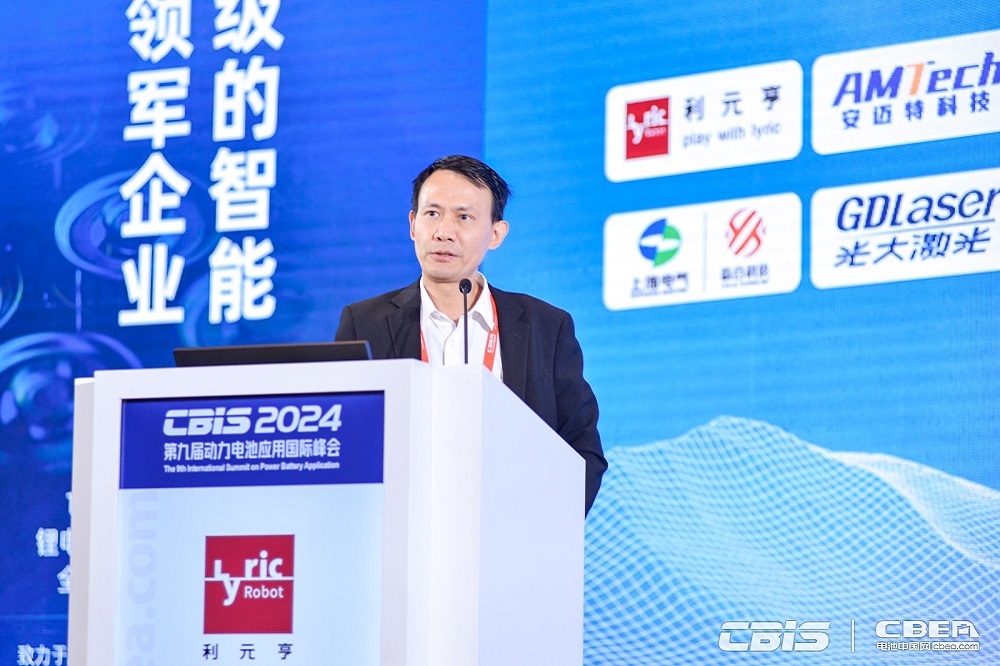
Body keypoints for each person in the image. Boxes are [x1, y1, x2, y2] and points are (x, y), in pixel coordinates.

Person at [335, 155, 607, 514]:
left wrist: (544, 525)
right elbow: (345, 438)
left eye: (463, 217)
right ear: (413, 225)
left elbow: (581, 447)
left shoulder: (546, 326)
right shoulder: (364, 323)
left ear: (496, 234)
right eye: (432, 214)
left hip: (512, 528)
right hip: (401, 527)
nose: (443, 231)